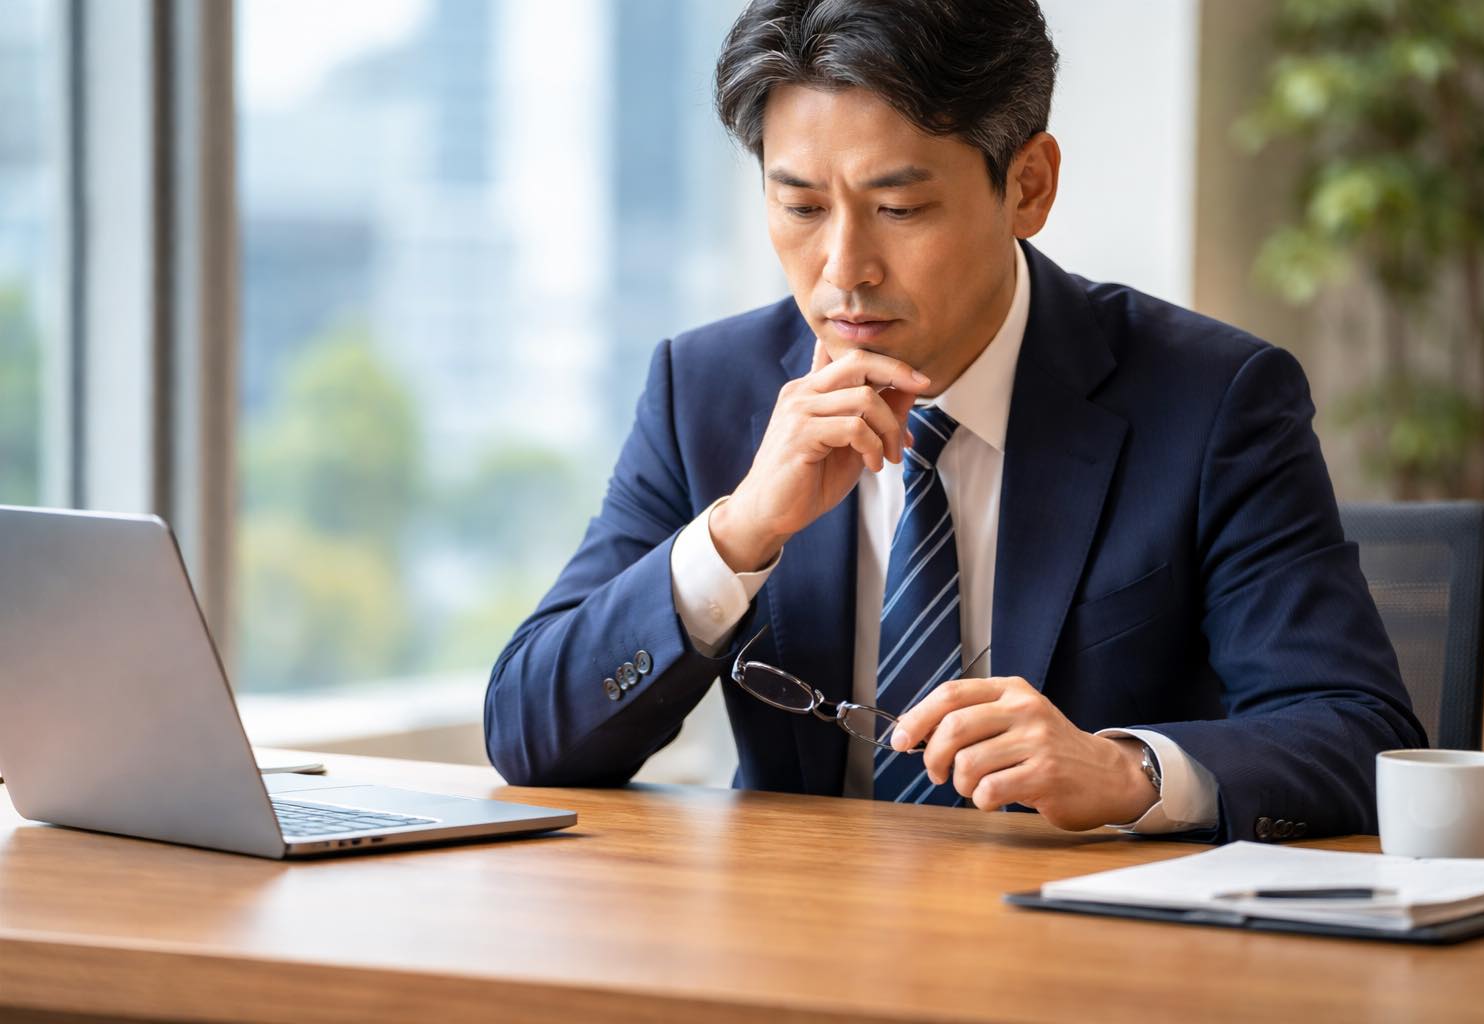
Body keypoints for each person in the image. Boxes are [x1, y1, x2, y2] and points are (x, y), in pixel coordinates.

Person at [484, 0, 1425, 842]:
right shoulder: (705, 390)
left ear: (1029, 186)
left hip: (1080, 939)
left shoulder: (1213, 400)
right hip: (794, 934)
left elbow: (1358, 733)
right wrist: (737, 535)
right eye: (801, 205)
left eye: (898, 207)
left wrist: (1128, 771)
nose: (843, 269)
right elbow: (529, 735)